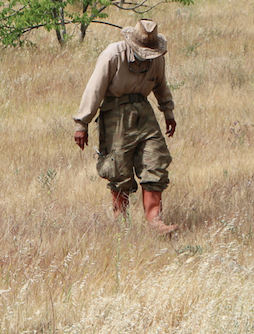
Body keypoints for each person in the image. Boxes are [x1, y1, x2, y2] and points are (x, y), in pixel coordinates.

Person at [73, 19, 179, 234]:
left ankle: (155, 222)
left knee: (156, 162)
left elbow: (161, 85)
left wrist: (168, 112)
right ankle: (120, 224)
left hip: (144, 112)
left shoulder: (156, 58)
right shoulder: (113, 55)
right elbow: (95, 89)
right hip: (116, 114)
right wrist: (81, 123)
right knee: (118, 169)